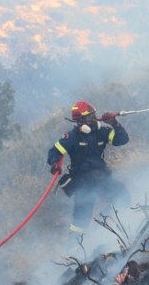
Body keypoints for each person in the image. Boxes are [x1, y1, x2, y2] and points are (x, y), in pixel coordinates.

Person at [47, 100, 130, 246]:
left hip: (102, 178)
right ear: (80, 121)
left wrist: (115, 124)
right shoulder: (71, 137)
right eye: (89, 117)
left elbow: (122, 139)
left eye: (94, 115)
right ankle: (71, 251)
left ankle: (123, 231)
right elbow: (54, 151)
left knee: (122, 196)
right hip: (83, 184)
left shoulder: (102, 132)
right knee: (80, 221)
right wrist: (55, 164)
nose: (93, 119)